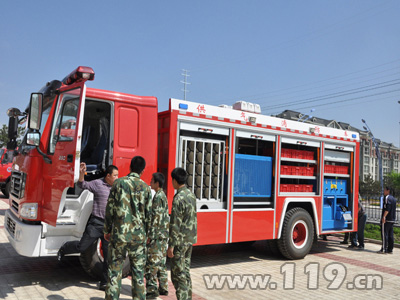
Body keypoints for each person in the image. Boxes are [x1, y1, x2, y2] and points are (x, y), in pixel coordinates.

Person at [58, 163, 119, 290]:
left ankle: (104, 282)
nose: (117, 178)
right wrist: (81, 173)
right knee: (81, 247)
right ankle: (65, 247)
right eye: (115, 175)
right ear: (108, 176)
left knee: (108, 256)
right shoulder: (97, 184)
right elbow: (82, 185)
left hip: (109, 226)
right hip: (96, 224)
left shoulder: (117, 187)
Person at [103, 156, 152, 300]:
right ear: (142, 171)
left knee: (114, 271)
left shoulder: (118, 183)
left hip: (119, 235)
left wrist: (107, 230)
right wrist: (148, 234)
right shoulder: (146, 188)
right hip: (138, 238)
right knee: (138, 273)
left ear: (130, 167)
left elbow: (109, 209)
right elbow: (149, 215)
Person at [167, 167, 197, 300]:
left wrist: (171, 245)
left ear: (174, 180)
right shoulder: (191, 195)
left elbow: (175, 224)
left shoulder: (178, 198)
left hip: (179, 242)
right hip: (189, 240)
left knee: (178, 275)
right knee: (185, 271)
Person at [145, 172, 170, 299]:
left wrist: (150, 236)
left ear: (157, 183)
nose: (150, 181)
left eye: (152, 180)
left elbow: (156, 218)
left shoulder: (158, 197)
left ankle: (151, 291)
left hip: (157, 237)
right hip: (162, 235)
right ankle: (164, 288)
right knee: (161, 263)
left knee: (151, 264)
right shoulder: (162, 195)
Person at [377, 187, 397, 254]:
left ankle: (384, 249)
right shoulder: (394, 199)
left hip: (387, 219)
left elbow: (387, 208)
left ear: (388, 191)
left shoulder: (387, 198)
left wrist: (384, 217)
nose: (383, 191)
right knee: (390, 234)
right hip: (392, 219)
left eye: (384, 190)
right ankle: (390, 249)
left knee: (384, 233)